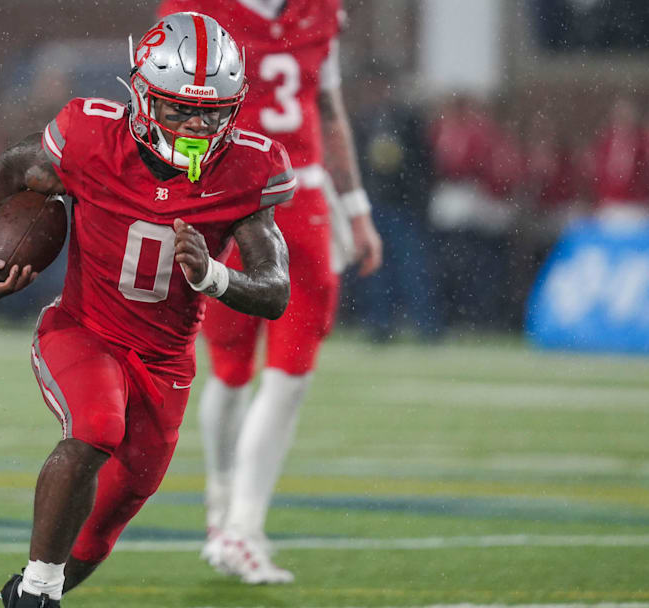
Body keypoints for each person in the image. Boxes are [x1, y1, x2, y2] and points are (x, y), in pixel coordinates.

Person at [0, 13, 293, 606]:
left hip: (166, 364)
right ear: (140, 96)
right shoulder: (90, 138)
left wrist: (213, 275)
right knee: (95, 427)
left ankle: (36, 594)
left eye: (212, 112)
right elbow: (10, 167)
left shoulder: (247, 169)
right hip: (84, 329)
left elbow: (275, 288)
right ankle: (36, 593)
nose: (195, 124)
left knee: (110, 516)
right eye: (179, 108)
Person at [156, 0, 383, 584]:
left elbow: (326, 106)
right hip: (228, 200)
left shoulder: (318, 10)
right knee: (229, 372)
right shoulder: (196, 11)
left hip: (302, 199)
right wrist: (178, 197)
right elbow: (167, 114)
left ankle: (242, 527)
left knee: (291, 373)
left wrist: (355, 208)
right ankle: (223, 498)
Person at [350, 60, 438, 342]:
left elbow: (424, 163)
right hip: (374, 204)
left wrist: (418, 198)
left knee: (413, 268)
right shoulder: (362, 122)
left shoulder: (408, 120)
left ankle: (426, 325)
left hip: (402, 204)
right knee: (376, 270)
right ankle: (380, 324)